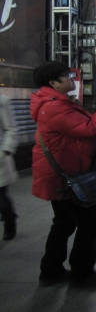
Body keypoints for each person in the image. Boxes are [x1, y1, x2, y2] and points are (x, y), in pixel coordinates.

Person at [30, 61, 96, 287]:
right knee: (90, 221)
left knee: (64, 222)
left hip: (60, 172)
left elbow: (86, 124)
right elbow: (91, 129)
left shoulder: (59, 102)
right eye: (66, 76)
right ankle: (82, 273)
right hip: (62, 176)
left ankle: (50, 270)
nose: (71, 78)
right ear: (53, 83)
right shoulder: (53, 107)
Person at [0, 94, 18, 240]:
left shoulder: (2, 101)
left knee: (1, 199)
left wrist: (4, 151)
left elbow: (11, 129)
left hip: (0, 159)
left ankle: (9, 220)